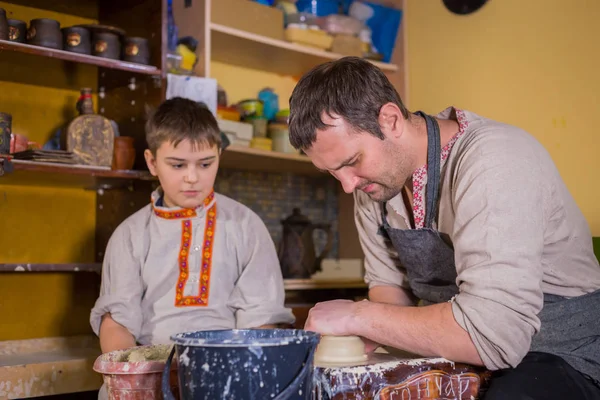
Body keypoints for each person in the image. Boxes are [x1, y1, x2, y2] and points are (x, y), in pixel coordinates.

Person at [288, 56, 600, 399]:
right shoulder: (373, 185)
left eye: (351, 162)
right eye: (332, 171)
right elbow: (390, 297)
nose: (346, 185)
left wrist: (358, 316)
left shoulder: (495, 160)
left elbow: (493, 336)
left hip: (562, 355)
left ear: (390, 119)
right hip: (463, 353)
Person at [90, 97, 294, 354]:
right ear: (152, 162)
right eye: (177, 165)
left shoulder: (246, 225)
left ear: (219, 156)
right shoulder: (129, 235)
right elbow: (117, 324)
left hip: (227, 368)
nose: (192, 177)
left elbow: (261, 322)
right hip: (151, 369)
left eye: (205, 164)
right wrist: (135, 381)